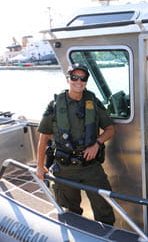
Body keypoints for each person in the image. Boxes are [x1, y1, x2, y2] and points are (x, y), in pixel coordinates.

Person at [36, 63, 115, 225]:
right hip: (65, 168)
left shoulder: (93, 100)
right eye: (74, 77)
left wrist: (97, 144)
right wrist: (39, 166)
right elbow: (44, 138)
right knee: (70, 213)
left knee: (104, 210)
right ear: (68, 79)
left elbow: (110, 129)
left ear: (86, 80)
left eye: (83, 78)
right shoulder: (55, 105)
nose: (79, 81)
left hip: (91, 167)